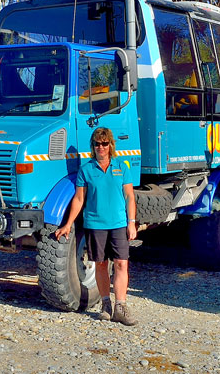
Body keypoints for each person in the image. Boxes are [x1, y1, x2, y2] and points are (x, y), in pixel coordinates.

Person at [54, 127, 138, 326]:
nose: (101, 147)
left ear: (111, 145)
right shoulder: (86, 169)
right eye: (97, 144)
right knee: (100, 264)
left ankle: (121, 307)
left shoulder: (121, 167)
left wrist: (132, 223)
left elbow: (130, 197)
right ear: (93, 147)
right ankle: (106, 305)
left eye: (104, 143)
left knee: (121, 263)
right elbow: (79, 199)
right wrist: (67, 224)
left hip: (118, 224)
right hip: (95, 224)